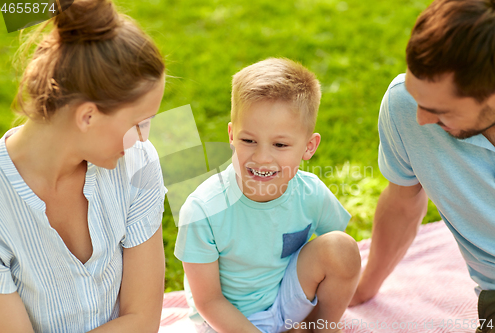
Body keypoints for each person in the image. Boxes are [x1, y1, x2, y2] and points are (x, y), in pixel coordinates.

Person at [0, 0, 167, 332]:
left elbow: (143, 320)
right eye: (138, 124)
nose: (144, 139)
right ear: (87, 116)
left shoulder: (137, 165)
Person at [174, 58, 361, 333]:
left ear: (309, 147)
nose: (262, 158)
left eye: (280, 144)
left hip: (287, 304)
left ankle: (316, 329)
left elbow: (337, 258)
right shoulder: (203, 209)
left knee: (342, 247)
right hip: (225, 321)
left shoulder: (310, 193)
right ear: (231, 134)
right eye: (248, 141)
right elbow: (209, 301)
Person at [349, 0, 495, 331]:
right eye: (418, 98)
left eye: (441, 110)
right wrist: (364, 287)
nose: (421, 119)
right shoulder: (404, 106)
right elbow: (402, 203)